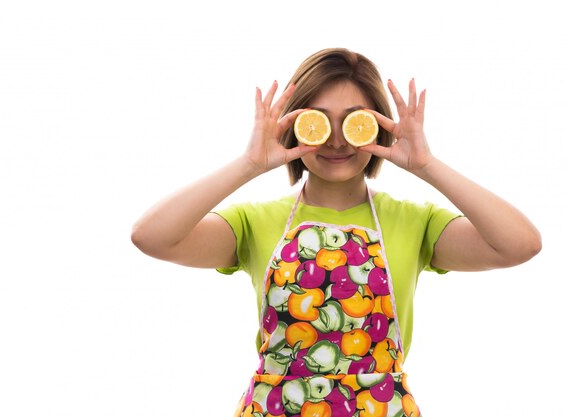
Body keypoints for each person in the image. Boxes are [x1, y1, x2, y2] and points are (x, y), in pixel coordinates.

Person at [131, 48, 541, 417]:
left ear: (378, 127)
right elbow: (152, 237)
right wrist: (248, 165)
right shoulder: (252, 223)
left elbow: (520, 245)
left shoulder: (416, 223)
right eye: (318, 122)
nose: (337, 140)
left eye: (355, 123)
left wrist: (427, 165)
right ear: (294, 125)